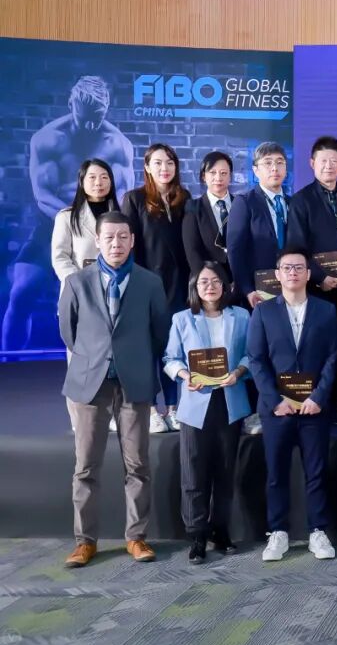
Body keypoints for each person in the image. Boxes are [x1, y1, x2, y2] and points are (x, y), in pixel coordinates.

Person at [58, 211, 169, 568]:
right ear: (98, 241)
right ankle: (84, 542)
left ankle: (136, 538)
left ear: (132, 240)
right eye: (109, 237)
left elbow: (160, 334)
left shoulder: (150, 283)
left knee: (137, 465)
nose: (116, 244)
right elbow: (69, 332)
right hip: (89, 383)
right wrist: (97, 356)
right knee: (85, 467)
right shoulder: (77, 282)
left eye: (123, 237)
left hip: (134, 382)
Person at [4, 76, 135, 353]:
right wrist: (77, 224)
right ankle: (9, 359)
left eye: (97, 119)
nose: (90, 126)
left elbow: (123, 197)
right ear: (71, 105)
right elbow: (43, 196)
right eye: (85, 118)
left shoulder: (117, 144)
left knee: (110, 305)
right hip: (53, 224)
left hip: (103, 231)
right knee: (21, 291)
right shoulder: (48, 139)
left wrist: (100, 231)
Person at [247, 247, 337, 562]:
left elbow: (333, 357)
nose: (293, 273)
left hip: (314, 408)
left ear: (309, 273)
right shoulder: (263, 312)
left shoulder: (326, 310)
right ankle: (278, 532)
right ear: (277, 274)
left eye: (299, 267)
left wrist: (319, 397)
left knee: (317, 472)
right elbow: (256, 359)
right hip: (278, 410)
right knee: (276, 473)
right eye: (287, 268)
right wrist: (274, 402)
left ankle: (318, 531)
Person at [162, 262, 252, 564]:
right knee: (194, 472)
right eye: (203, 282)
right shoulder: (182, 319)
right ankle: (197, 534)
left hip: (230, 400)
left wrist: (239, 372)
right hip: (195, 403)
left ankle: (220, 529)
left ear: (226, 286)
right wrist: (184, 375)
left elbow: (252, 354)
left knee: (225, 472)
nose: (210, 287)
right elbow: (170, 358)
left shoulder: (241, 316)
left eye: (215, 281)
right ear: (195, 287)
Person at [286, 136, 337, 428]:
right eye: (323, 160)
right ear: (312, 163)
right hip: (316, 290)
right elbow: (296, 246)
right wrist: (319, 276)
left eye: (334, 161)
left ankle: (336, 405)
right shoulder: (301, 200)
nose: (328, 166)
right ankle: (313, 401)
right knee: (317, 347)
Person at [121, 143, 191, 433]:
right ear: (147, 167)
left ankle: (173, 408)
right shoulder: (134, 199)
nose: (165, 168)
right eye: (158, 162)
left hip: (179, 286)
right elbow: (129, 246)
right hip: (146, 285)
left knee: (173, 349)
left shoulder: (184, 198)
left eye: (170, 162)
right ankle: (150, 409)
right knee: (147, 352)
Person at [51, 159, 120, 430]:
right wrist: (80, 283)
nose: (98, 183)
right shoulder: (67, 216)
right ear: (81, 181)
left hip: (115, 294)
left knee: (112, 357)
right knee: (80, 358)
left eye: (104, 177)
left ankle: (112, 415)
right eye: (92, 177)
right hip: (79, 296)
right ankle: (81, 420)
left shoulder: (121, 213)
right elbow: (60, 257)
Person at [227, 142, 291, 310]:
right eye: (268, 163)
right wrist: (247, 290)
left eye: (280, 162)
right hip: (257, 292)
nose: (274, 168)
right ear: (256, 170)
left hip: (291, 288)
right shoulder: (245, 202)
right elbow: (235, 251)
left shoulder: (294, 203)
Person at [182, 151, 234, 282]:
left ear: (230, 176)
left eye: (223, 173)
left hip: (239, 280)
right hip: (209, 282)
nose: (218, 178)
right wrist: (207, 281)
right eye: (212, 172)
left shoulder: (241, 205)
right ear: (204, 176)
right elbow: (192, 251)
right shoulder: (193, 208)